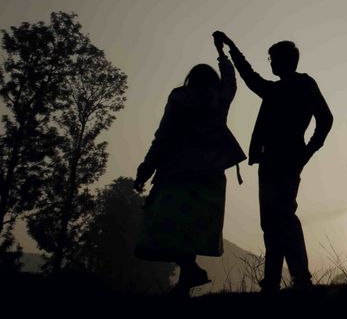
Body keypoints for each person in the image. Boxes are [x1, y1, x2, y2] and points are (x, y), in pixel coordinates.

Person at [213, 31, 333, 292]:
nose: (270, 63)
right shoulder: (280, 89)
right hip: (274, 159)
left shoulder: (298, 85)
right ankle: (273, 280)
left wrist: (307, 152)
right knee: (272, 220)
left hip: (286, 159)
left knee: (282, 216)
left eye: (272, 58)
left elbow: (325, 119)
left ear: (283, 60)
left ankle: (300, 278)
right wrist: (232, 48)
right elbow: (252, 78)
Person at [134, 33, 247, 295]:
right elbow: (231, 80)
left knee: (167, 225)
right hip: (210, 175)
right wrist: (222, 51)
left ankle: (189, 276)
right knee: (193, 231)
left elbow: (163, 135)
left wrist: (146, 167)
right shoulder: (220, 97)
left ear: (190, 79)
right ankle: (188, 276)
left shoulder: (180, 98)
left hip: (178, 173)